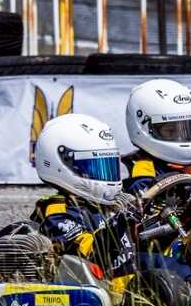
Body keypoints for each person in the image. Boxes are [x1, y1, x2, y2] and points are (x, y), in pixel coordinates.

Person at [10, 113, 134, 275]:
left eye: (108, 166)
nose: (104, 174)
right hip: (95, 282)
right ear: (63, 163)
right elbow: (89, 252)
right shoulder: (56, 212)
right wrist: (121, 222)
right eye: (94, 167)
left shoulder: (103, 206)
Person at [121, 79, 191, 195]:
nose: (181, 136)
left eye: (187, 129)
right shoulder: (140, 168)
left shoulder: (189, 167)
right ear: (143, 128)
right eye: (171, 131)